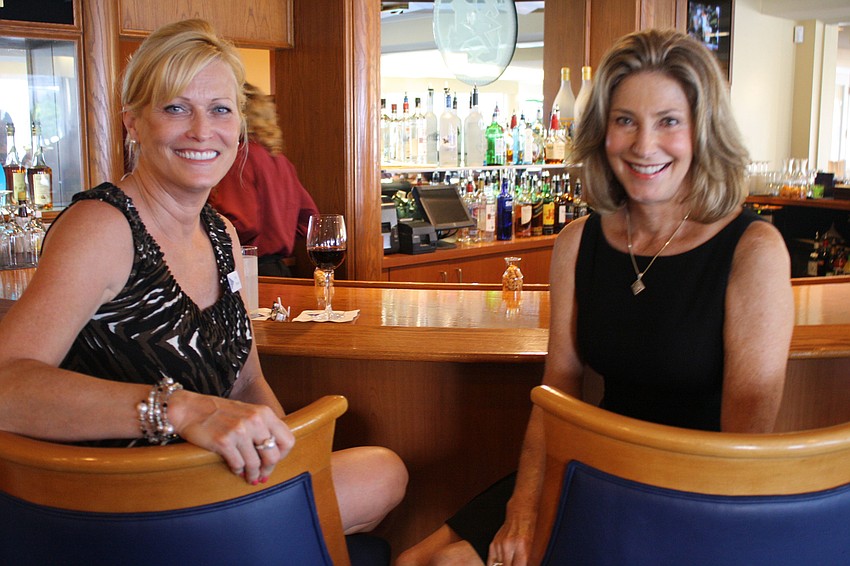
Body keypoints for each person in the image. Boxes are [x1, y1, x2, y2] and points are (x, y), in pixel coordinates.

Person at [397, 28, 794, 566]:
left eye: (669, 121)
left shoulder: (753, 251)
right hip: (589, 465)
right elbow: (557, 391)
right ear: (602, 132)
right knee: (415, 561)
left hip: (682, 495)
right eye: (625, 120)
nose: (643, 144)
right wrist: (525, 502)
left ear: (704, 132)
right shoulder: (580, 240)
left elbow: (740, 454)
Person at [0, 19, 406, 535]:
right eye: (175, 108)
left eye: (219, 110)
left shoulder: (221, 236)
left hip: (208, 484)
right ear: (133, 122)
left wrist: (279, 455)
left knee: (382, 472)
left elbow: (247, 381)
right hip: (122, 500)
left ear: (239, 125)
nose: (201, 130)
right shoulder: (102, 227)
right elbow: (6, 385)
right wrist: (179, 409)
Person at [208, 82, 319, 277]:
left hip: (247, 270)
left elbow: (241, 223)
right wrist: (277, 235)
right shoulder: (279, 160)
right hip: (279, 269)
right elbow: (309, 219)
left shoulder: (239, 158)